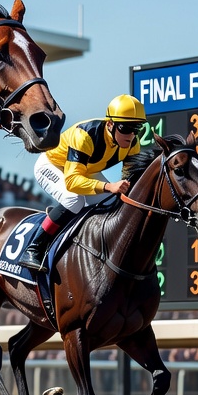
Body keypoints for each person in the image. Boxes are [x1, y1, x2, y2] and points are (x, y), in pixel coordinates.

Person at [19, 94, 148, 272]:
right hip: (52, 165)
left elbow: (131, 182)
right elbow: (72, 182)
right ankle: (35, 247)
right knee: (74, 200)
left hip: (84, 170)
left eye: (137, 128)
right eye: (126, 128)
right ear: (110, 124)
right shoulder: (85, 135)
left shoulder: (132, 142)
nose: (132, 135)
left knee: (112, 202)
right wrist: (108, 186)